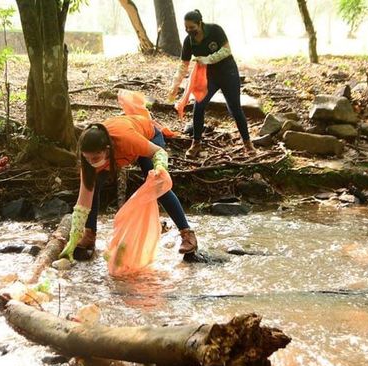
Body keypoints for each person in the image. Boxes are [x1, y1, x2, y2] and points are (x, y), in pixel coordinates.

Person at [59, 115, 198, 261]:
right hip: (117, 153)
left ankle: (187, 234)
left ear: (106, 150)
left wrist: (160, 168)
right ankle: (89, 236)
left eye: (94, 158)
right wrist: (74, 237)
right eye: (87, 158)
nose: (91, 162)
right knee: (93, 190)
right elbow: (83, 203)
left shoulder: (127, 140)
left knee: (158, 186)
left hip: (149, 137)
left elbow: (159, 152)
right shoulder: (89, 164)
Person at [167, 9, 255, 158]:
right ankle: (196, 143)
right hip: (209, 77)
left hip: (228, 73)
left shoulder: (215, 30)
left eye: (192, 28)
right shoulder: (188, 41)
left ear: (200, 23)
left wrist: (207, 59)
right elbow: (183, 65)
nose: (189, 31)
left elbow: (226, 50)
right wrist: (175, 85)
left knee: (234, 108)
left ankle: (247, 143)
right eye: (186, 28)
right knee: (199, 106)